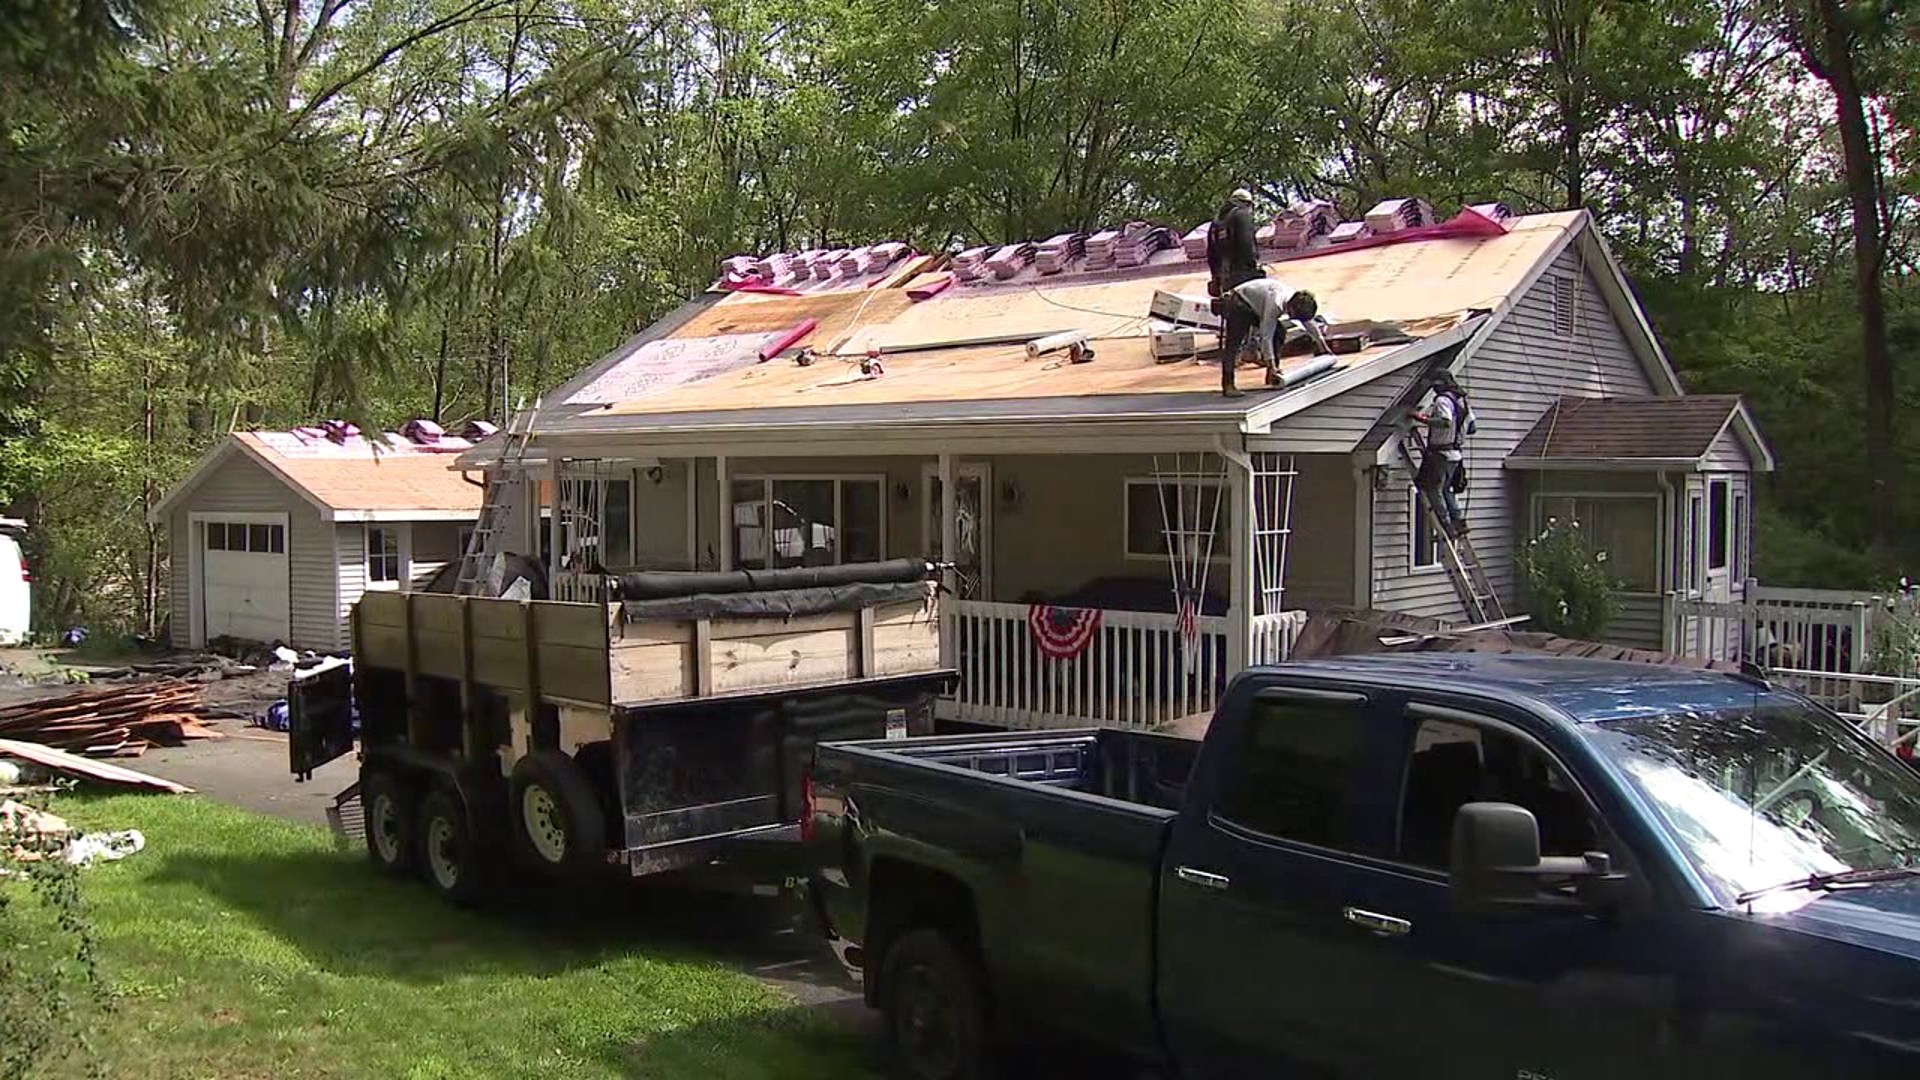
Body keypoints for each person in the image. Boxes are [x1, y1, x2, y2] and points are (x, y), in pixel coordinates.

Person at [1207, 188, 1261, 397]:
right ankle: (1259, 357)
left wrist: (1216, 279)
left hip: (1225, 280)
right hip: (1244, 276)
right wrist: (1255, 267)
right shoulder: (1242, 216)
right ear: (1247, 203)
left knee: (1233, 331)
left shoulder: (1217, 223)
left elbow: (1211, 255)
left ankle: (1229, 380)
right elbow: (1248, 246)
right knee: (1263, 320)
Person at [1229, 278, 1327, 383]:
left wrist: (1323, 346)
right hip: (1238, 301)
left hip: (1256, 301)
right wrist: (1271, 365)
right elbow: (1266, 337)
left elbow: (1309, 323)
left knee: (1280, 332)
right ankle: (1229, 383)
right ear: (1291, 309)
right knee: (1235, 341)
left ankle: (1272, 373)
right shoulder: (1275, 304)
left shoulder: (1294, 298)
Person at [1412, 370, 1474, 534]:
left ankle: (1446, 525)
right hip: (1455, 455)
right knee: (1447, 489)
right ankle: (1459, 522)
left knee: (1432, 488)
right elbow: (1472, 427)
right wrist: (1458, 433)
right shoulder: (1462, 401)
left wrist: (1422, 419)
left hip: (1441, 454)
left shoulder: (1442, 401)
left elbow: (1445, 422)